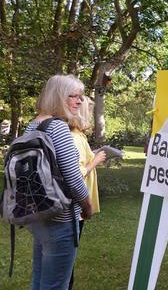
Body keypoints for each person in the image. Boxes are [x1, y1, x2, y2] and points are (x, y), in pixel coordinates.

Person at [25, 74, 92, 290]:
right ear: (59, 97)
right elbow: (73, 179)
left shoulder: (33, 125)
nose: (80, 101)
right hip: (60, 217)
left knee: (39, 278)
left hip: (37, 213)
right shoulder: (59, 128)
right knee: (55, 285)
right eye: (75, 96)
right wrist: (87, 206)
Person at [67, 96, 106, 290]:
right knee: (67, 260)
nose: (90, 118)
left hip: (76, 209)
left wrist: (94, 155)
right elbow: (76, 173)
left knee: (69, 256)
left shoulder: (78, 136)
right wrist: (96, 160)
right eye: (88, 114)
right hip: (75, 209)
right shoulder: (74, 138)